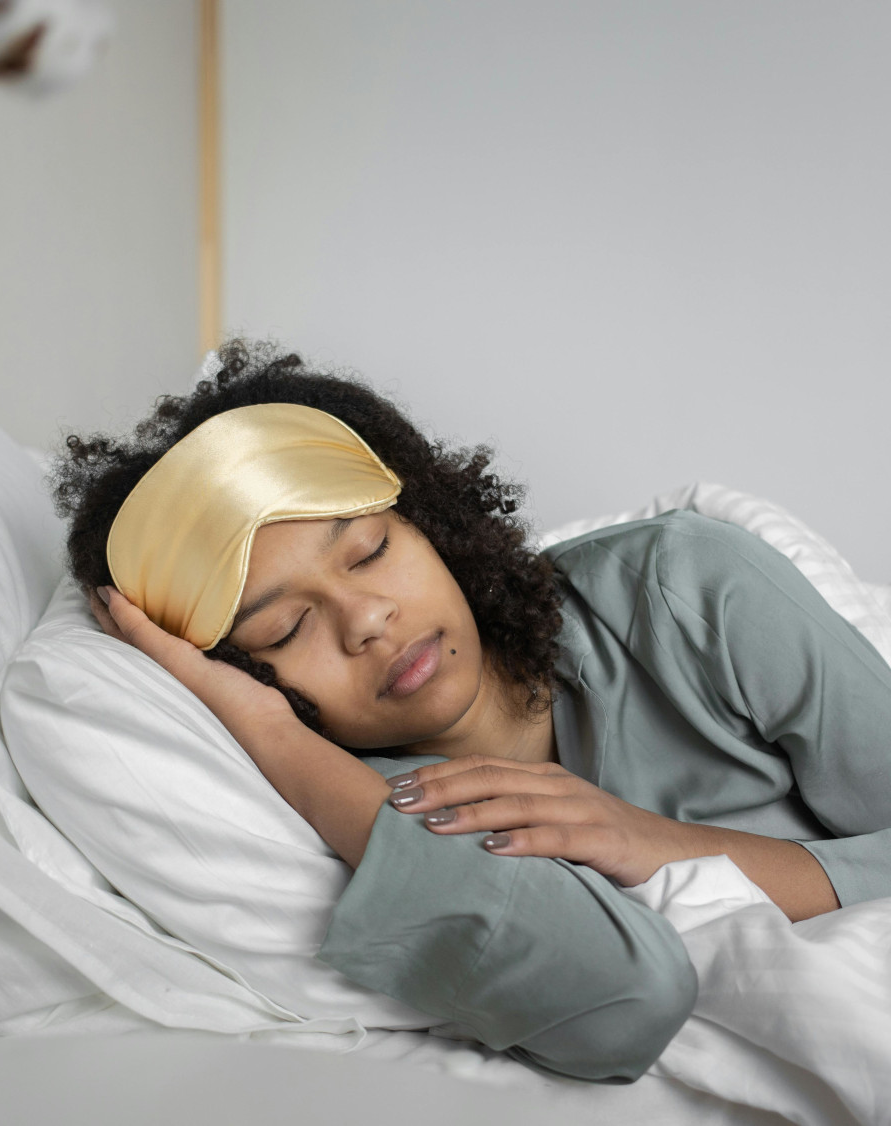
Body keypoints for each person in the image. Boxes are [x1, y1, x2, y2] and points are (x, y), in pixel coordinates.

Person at [53, 339, 891, 1083]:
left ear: (433, 521)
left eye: (371, 550)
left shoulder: (683, 586)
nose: (368, 619)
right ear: (247, 675)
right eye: (287, 628)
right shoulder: (374, 801)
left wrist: (657, 848)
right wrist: (268, 732)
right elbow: (625, 1002)